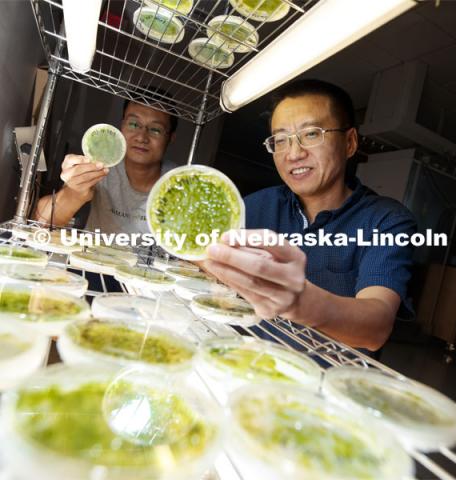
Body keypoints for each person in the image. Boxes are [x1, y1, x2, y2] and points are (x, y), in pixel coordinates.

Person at [204, 79, 416, 351]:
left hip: (323, 378)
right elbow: (207, 254)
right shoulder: (256, 206)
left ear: (349, 142)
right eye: (280, 140)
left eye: (312, 134)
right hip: (243, 356)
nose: (293, 153)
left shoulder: (386, 222)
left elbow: (376, 327)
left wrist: (301, 302)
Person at [34, 93, 177, 234]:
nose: (141, 137)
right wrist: (74, 194)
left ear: (171, 138)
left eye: (155, 129)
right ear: (122, 126)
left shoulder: (181, 182)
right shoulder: (101, 165)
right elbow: (43, 222)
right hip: (92, 256)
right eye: (134, 124)